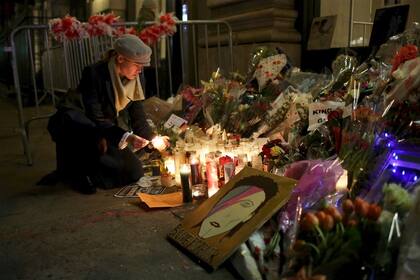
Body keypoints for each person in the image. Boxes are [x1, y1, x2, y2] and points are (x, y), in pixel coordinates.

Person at [46, 34, 168, 194]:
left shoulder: (135, 79)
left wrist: (153, 139)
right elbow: (94, 115)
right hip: (80, 124)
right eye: (137, 65)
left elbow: (138, 116)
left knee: (134, 171)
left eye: (142, 66)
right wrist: (127, 137)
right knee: (93, 150)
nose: (140, 70)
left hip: (106, 128)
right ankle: (78, 173)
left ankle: (92, 169)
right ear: (120, 58)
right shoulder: (94, 73)